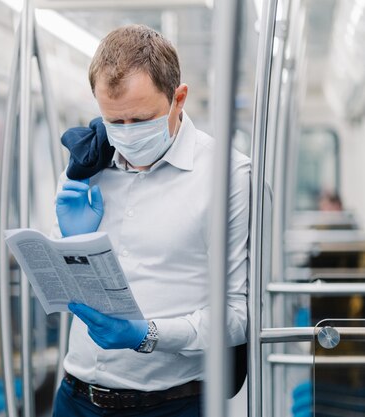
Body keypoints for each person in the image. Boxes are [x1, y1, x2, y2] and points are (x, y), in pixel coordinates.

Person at [51, 24, 250, 417]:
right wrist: (68, 244)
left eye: (140, 120)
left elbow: (239, 315)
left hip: (170, 404)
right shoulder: (86, 167)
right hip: (75, 397)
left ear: (179, 99)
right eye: (114, 122)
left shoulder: (227, 176)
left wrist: (147, 335)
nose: (126, 135)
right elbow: (62, 290)